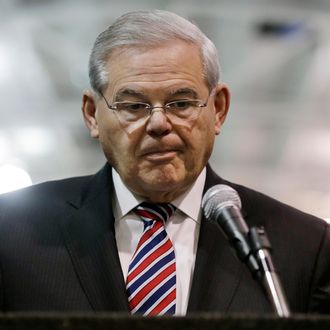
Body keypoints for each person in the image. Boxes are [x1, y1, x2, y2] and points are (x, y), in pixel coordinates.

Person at [0, 9, 329, 315]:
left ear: (218, 109)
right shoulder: (11, 234)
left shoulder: (305, 248)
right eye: (134, 106)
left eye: (181, 102)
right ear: (91, 114)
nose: (159, 124)